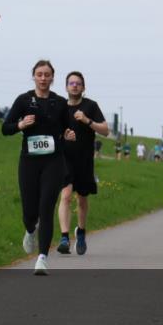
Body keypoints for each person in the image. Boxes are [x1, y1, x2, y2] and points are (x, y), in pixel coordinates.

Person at [3, 60, 76, 275]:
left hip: (54, 161)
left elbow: (67, 129)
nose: (43, 78)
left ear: (52, 78)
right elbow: (5, 128)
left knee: (46, 208)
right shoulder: (24, 100)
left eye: (47, 75)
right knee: (29, 211)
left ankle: (42, 257)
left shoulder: (60, 103)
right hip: (29, 161)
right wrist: (20, 125)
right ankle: (29, 229)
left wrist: (69, 135)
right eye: (39, 74)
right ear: (33, 76)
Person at [56, 71, 109, 256]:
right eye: (71, 83)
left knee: (82, 199)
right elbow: (53, 131)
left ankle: (81, 231)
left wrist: (87, 121)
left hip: (85, 160)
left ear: (83, 87)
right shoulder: (60, 107)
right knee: (66, 196)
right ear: (66, 87)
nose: (75, 86)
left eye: (78, 83)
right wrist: (62, 136)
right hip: (65, 159)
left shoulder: (91, 106)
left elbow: (105, 130)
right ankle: (64, 237)